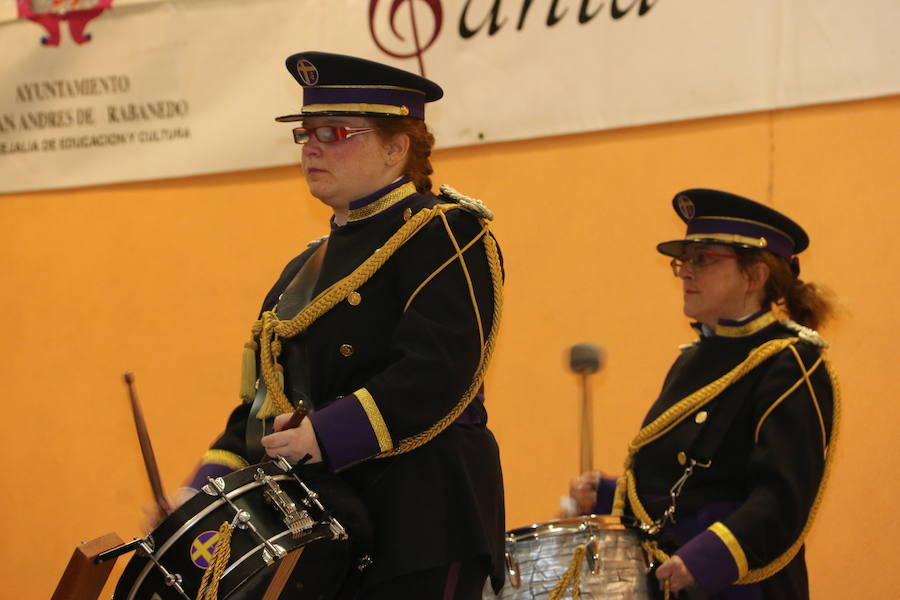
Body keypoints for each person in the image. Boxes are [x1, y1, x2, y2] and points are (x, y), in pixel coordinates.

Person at [177, 52, 506, 599]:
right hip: (331, 535)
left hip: (422, 524)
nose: (311, 147)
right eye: (306, 133)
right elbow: (264, 401)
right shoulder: (301, 270)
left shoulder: (446, 233)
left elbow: (437, 372)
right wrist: (199, 494)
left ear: (397, 147)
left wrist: (324, 436)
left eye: (334, 132)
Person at [566, 189, 839, 599]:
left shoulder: (791, 362)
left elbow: (784, 497)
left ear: (755, 275)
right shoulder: (694, 358)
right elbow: (687, 480)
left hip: (739, 586)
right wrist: (607, 493)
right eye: (684, 260)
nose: (685, 272)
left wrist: (710, 557)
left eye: (703, 259)